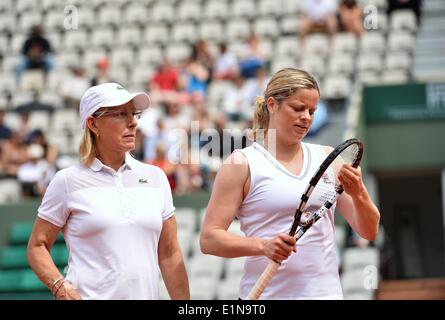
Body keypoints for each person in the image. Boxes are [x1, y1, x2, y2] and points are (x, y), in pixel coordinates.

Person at [200, 68, 380, 299]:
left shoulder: (329, 160)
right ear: (272, 105)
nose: (306, 116)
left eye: (312, 111)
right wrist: (263, 246)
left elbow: (369, 231)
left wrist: (360, 193)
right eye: (297, 108)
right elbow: (209, 239)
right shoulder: (241, 163)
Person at [27, 83, 190, 300]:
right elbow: (37, 245)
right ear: (93, 124)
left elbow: (170, 255)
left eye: (134, 113)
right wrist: (60, 287)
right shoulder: (66, 181)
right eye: (121, 114)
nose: (133, 122)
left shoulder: (156, 177)